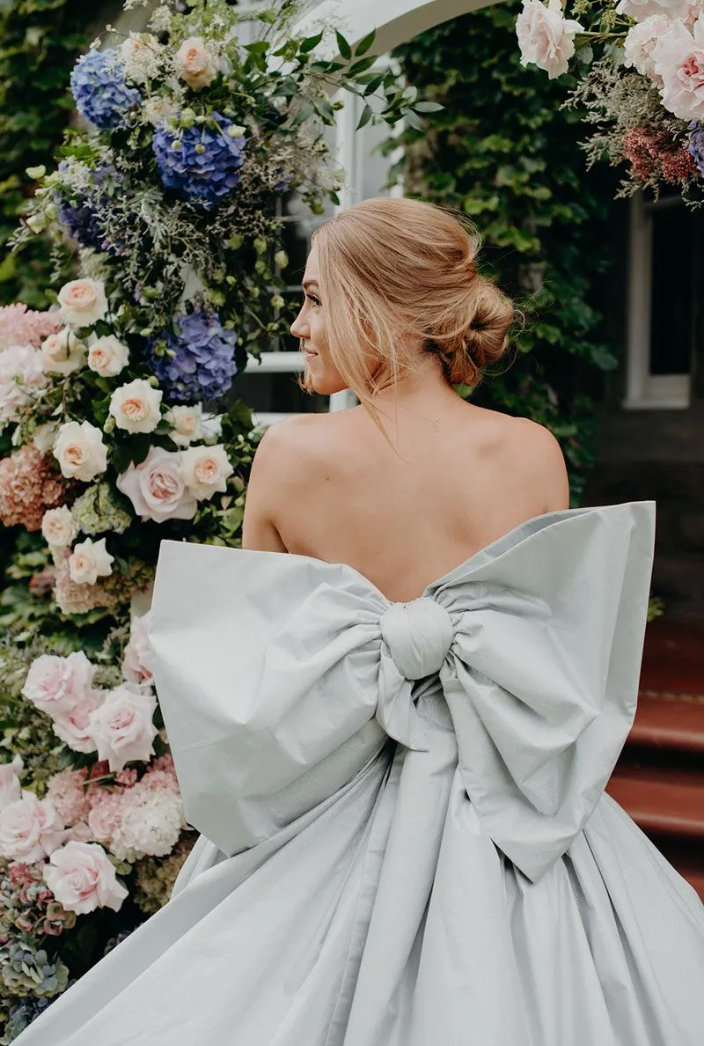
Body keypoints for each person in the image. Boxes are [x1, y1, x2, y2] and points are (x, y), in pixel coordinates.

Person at [14, 197, 702, 1046]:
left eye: (314, 299)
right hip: (509, 808)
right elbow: (544, 664)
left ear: (381, 309)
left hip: (329, 803)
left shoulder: (291, 458)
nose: (299, 324)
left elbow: (263, 686)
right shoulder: (532, 452)